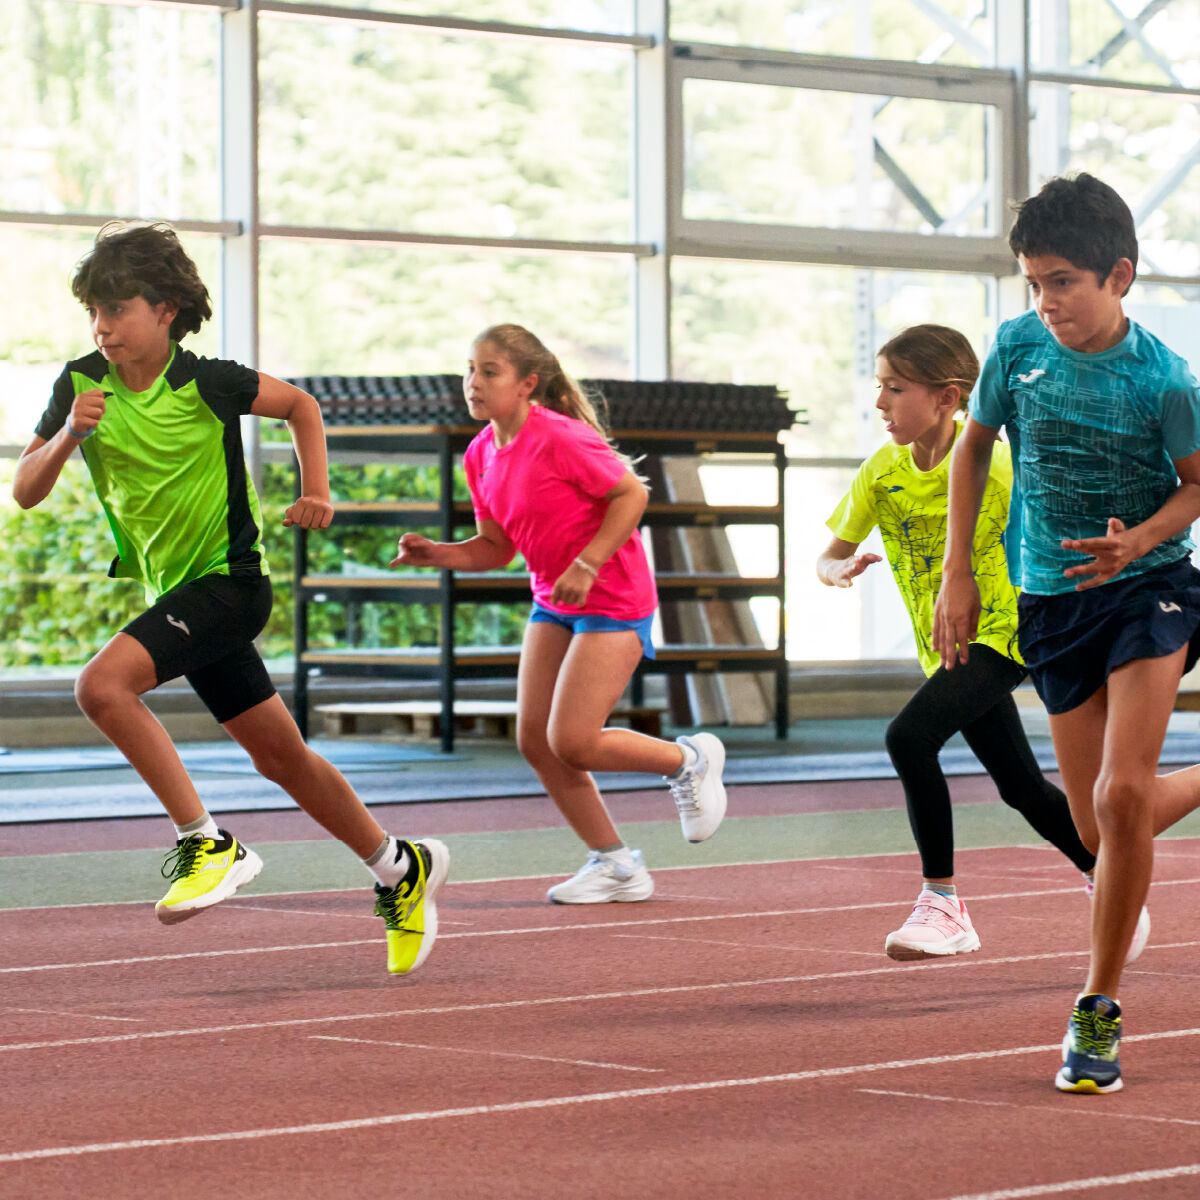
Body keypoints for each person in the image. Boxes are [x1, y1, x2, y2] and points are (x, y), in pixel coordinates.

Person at [12, 220, 447, 976]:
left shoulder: (211, 382)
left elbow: (302, 406)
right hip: (178, 595)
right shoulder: (81, 382)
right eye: (94, 312)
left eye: (118, 310)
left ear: (166, 309)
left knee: (101, 685)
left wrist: (318, 491)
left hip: (230, 586)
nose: (103, 327)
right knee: (283, 758)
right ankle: (397, 867)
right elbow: (25, 491)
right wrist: (67, 439)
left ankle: (204, 839)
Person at [933, 173, 1200, 1094]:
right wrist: (958, 571)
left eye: (1063, 283)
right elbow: (973, 446)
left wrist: (1142, 539)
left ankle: (1099, 1008)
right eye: (1034, 282)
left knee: (1125, 794)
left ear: (1118, 276)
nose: (1046, 302)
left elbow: (1198, 486)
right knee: (1100, 818)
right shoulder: (1014, 350)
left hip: (1149, 591)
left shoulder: (1166, 377)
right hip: (1049, 599)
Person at [391, 323, 727, 903]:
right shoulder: (480, 454)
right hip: (555, 599)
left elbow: (632, 494)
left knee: (572, 740)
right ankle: (617, 866)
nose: (472, 383)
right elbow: (496, 548)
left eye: (488, 372)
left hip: (613, 595)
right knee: (535, 741)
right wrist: (437, 555)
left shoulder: (559, 437)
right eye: (469, 369)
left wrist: (590, 562)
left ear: (528, 384)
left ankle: (688, 759)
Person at [818, 323, 1118, 962]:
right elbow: (829, 554)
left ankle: (942, 902)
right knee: (1020, 785)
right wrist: (837, 569)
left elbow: (1056, 537)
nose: (879, 403)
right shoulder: (882, 473)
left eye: (895, 389)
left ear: (948, 397)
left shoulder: (999, 468)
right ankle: (1110, 876)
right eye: (879, 387)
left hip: (1006, 635)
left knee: (910, 736)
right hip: (945, 649)